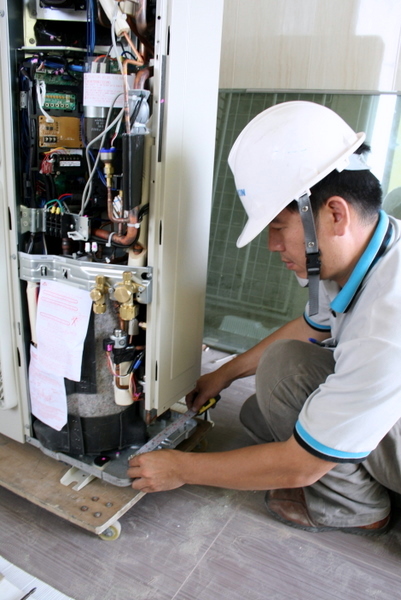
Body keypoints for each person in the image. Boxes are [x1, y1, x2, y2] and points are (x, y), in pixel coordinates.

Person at [127, 101, 401, 535]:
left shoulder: (387, 323)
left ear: (335, 214)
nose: (273, 246)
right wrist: (223, 374)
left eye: (277, 227)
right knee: (261, 409)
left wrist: (181, 468)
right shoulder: (372, 250)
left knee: (288, 404)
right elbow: (311, 327)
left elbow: (300, 465)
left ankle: (360, 510)